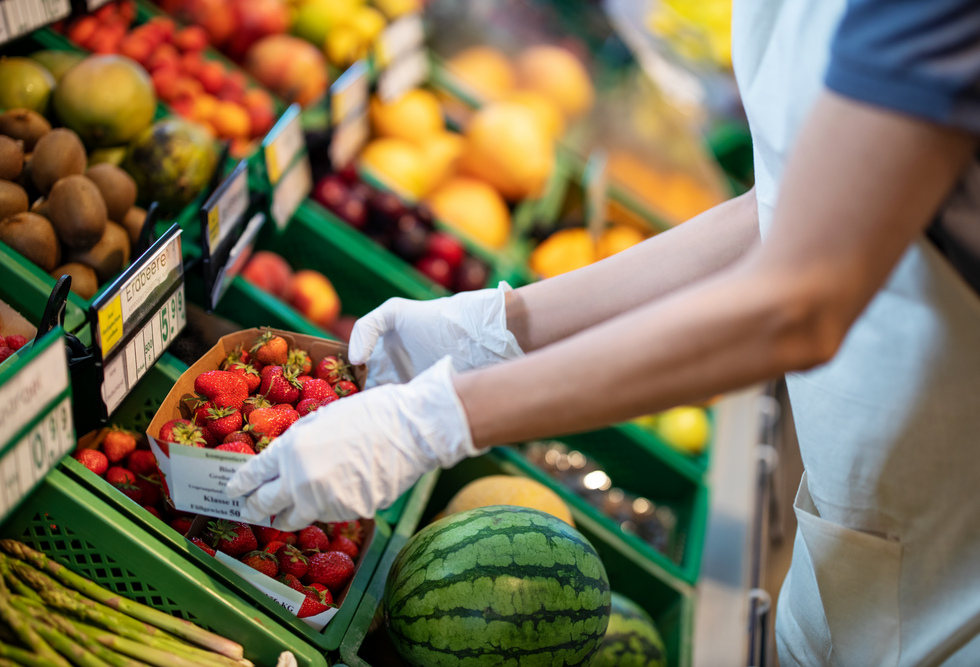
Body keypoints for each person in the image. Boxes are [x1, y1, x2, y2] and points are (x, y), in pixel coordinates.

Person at [227, 0, 980, 662]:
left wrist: (443, 417)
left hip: (947, 542)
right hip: (867, 519)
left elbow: (801, 298)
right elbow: (785, 207)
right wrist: (499, 326)